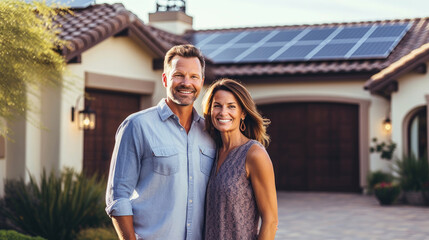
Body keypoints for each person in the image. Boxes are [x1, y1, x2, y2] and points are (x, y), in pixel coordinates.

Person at [105, 44, 216, 240]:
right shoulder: (137, 126)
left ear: (202, 81)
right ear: (165, 79)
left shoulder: (210, 132)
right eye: (179, 75)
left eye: (193, 77)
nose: (186, 82)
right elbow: (118, 197)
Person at [202, 78, 278, 240]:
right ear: (210, 110)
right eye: (217, 106)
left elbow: (270, 221)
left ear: (242, 113)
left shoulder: (254, 154)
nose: (223, 112)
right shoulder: (212, 151)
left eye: (231, 106)